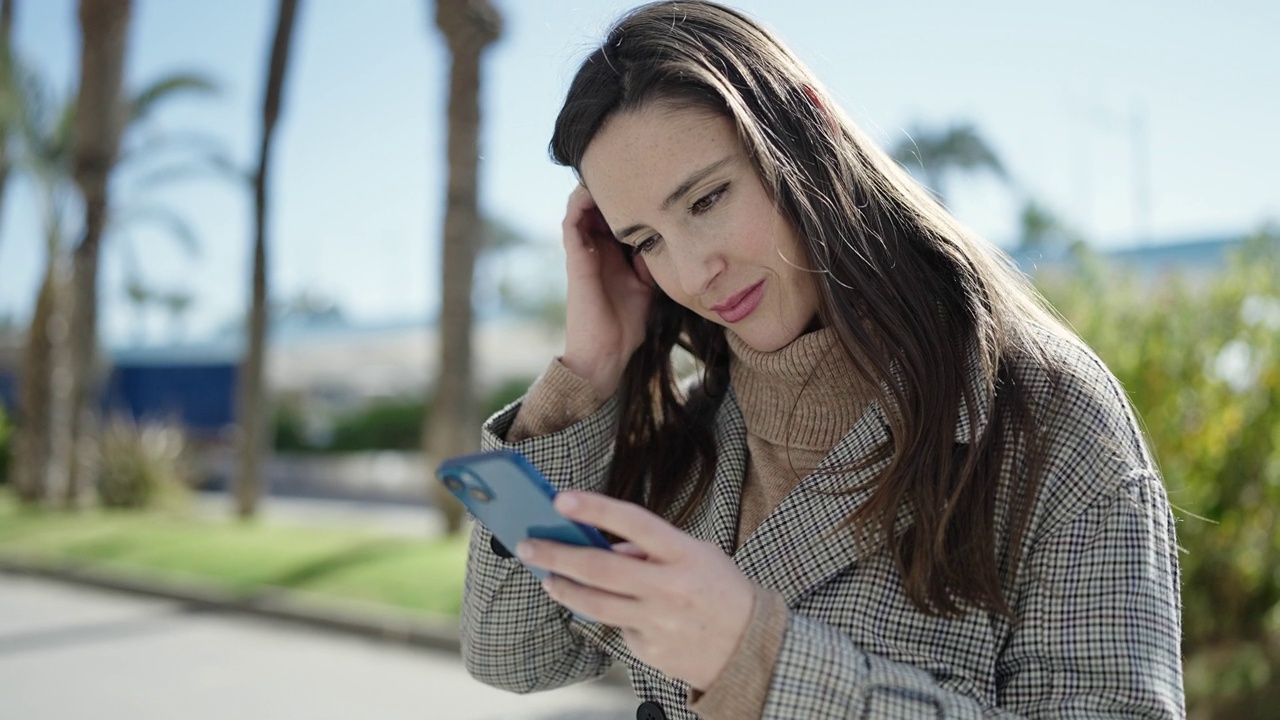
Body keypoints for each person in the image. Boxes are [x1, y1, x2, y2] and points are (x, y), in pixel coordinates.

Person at [459, 2, 1185, 718]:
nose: (692, 269)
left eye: (707, 199)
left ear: (808, 128)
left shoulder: (1039, 413)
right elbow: (512, 653)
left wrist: (763, 665)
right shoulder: (691, 434)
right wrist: (589, 368)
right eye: (646, 240)